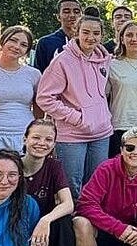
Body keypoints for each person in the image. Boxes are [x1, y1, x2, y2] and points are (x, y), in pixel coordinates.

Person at [12, 120, 82, 246]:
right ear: (24, 139)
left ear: (54, 144)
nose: (41, 143)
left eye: (48, 139)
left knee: (64, 220)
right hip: (16, 233)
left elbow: (68, 203)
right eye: (36, 137)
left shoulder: (54, 166)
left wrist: (45, 221)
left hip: (46, 233)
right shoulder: (12, 165)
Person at [36, 15, 113, 195]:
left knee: (96, 185)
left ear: (102, 35)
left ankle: (91, 214)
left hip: (101, 133)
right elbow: (44, 98)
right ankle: (70, 215)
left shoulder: (104, 60)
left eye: (96, 33)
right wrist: (76, 118)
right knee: (71, 186)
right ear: (76, 33)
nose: (91, 37)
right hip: (72, 135)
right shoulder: (62, 61)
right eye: (86, 32)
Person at [0, 25, 42, 161]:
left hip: (25, 136)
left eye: (23, 45)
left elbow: (39, 109)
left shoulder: (34, 74)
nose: (17, 46)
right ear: (2, 41)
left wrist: (37, 134)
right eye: (13, 40)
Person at [32, 0, 85, 74]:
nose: (72, 15)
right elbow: (39, 75)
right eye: (66, 12)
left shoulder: (89, 43)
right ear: (58, 17)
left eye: (76, 12)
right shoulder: (45, 43)